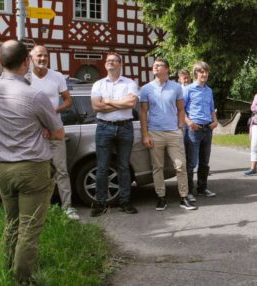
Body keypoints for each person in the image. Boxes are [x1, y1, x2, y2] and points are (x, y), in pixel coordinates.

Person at [0, 40, 65, 284]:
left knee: (12, 222)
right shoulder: (34, 94)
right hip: (32, 167)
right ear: (26, 62)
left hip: (2, 167)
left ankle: (7, 268)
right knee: (29, 228)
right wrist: (44, 130)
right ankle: (22, 279)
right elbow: (59, 132)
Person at [28, 45, 78, 220]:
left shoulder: (56, 76)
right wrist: (41, 125)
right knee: (37, 173)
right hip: (34, 133)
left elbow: (68, 100)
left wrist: (53, 112)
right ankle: (40, 210)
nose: (42, 59)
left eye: (45, 56)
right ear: (31, 58)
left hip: (56, 129)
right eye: (39, 56)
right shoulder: (26, 78)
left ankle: (68, 208)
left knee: (61, 171)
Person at [140, 58, 197, 211]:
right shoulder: (146, 89)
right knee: (157, 167)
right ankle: (161, 197)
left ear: (167, 69)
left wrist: (180, 128)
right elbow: (143, 113)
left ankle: (184, 197)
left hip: (173, 132)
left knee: (180, 166)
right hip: (155, 132)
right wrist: (145, 134)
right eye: (154, 66)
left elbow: (180, 109)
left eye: (158, 65)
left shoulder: (176, 88)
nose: (155, 67)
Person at [90, 52, 140, 216]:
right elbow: (96, 107)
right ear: (105, 65)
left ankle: (125, 202)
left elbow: (131, 103)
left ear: (120, 64)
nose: (110, 63)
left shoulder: (130, 83)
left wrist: (108, 101)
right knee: (102, 167)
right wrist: (121, 104)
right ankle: (100, 203)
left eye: (114, 60)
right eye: (108, 61)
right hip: (104, 127)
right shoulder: (98, 84)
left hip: (125, 127)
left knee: (124, 166)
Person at [183, 61, 218, 202]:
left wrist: (215, 121)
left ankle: (202, 188)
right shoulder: (188, 89)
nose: (204, 74)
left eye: (206, 72)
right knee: (191, 162)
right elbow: (181, 110)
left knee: (205, 161)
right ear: (196, 73)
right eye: (201, 72)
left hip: (207, 128)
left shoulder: (209, 90)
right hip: (194, 129)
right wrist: (190, 122)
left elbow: (211, 109)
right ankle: (189, 191)